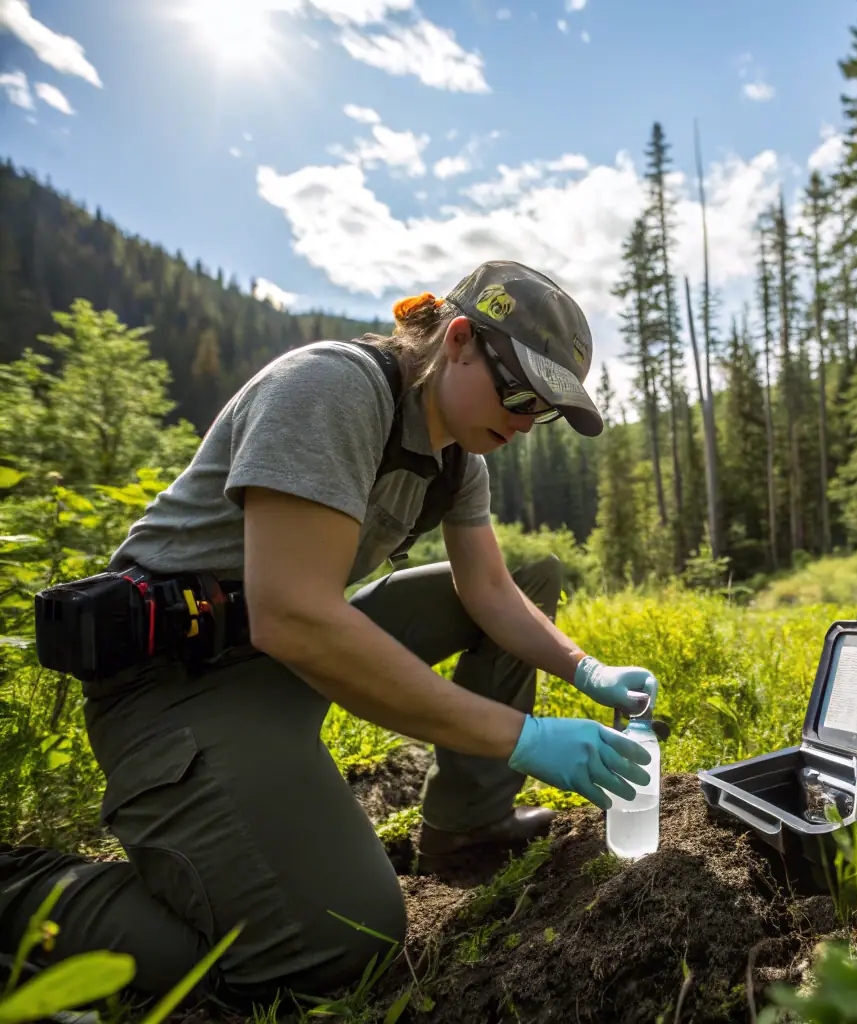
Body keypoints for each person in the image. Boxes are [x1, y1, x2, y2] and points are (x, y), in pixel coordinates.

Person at [0, 260, 660, 1010]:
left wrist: (587, 669)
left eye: (542, 411)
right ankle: (22, 894)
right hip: (175, 688)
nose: (520, 423)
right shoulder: (331, 387)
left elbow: (489, 591)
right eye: (518, 392)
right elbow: (295, 615)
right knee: (341, 943)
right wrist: (522, 735)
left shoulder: (457, 455)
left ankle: (469, 824)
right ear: (460, 340)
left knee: (533, 576)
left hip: (276, 652)